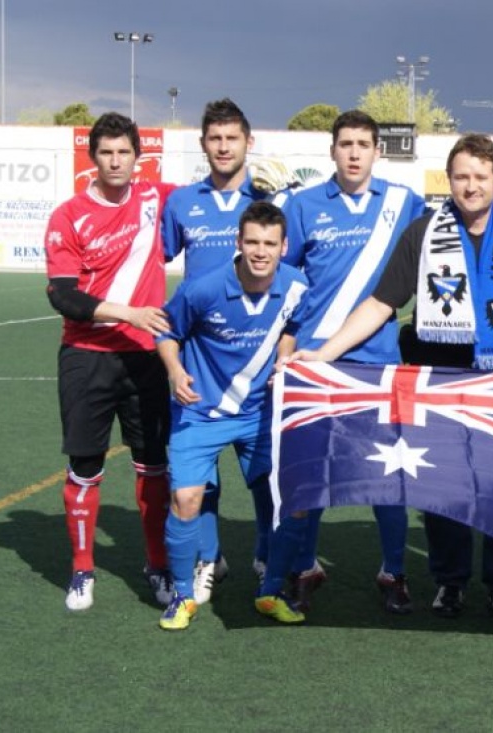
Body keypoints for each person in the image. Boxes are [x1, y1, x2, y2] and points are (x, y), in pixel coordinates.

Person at [289, 133, 493, 620]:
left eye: (480, 177)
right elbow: (381, 302)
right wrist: (325, 354)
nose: (470, 187)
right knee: (445, 488)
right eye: (461, 177)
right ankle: (450, 582)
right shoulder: (424, 232)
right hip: (438, 379)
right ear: (448, 180)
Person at [278, 110, 428, 614]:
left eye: (364, 143)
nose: (355, 152)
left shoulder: (405, 203)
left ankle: (394, 572)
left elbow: (442, 247)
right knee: (311, 473)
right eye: (346, 144)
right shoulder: (302, 206)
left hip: (380, 361)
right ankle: (305, 567)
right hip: (315, 365)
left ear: (378, 151)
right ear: (332, 151)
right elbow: (285, 283)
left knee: (388, 476)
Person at [154, 200, 312, 630]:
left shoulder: (297, 285)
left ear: (284, 247)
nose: (261, 252)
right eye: (253, 242)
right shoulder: (203, 288)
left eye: (270, 243)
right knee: (186, 498)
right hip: (200, 411)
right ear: (239, 243)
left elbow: (292, 327)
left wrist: (283, 358)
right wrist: (174, 370)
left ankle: (270, 589)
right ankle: (183, 596)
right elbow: (167, 331)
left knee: (286, 501)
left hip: (260, 412)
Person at [44, 112, 176, 612]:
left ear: (137, 156)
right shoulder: (68, 215)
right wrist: (131, 313)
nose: (116, 161)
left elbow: (215, 200)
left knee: (154, 467)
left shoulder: (156, 199)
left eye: (124, 152)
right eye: (106, 153)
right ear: (92, 158)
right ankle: (82, 570)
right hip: (87, 357)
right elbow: (64, 296)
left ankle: (158, 564)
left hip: (144, 360)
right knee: (85, 465)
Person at [161, 98, 275, 603]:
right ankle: (209, 559)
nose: (223, 147)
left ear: (249, 143)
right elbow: (151, 260)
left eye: (232, 138)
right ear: (204, 144)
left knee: (265, 477)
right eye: (214, 138)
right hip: (199, 366)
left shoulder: (273, 199)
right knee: (199, 480)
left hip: (257, 361)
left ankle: (268, 557)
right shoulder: (181, 202)